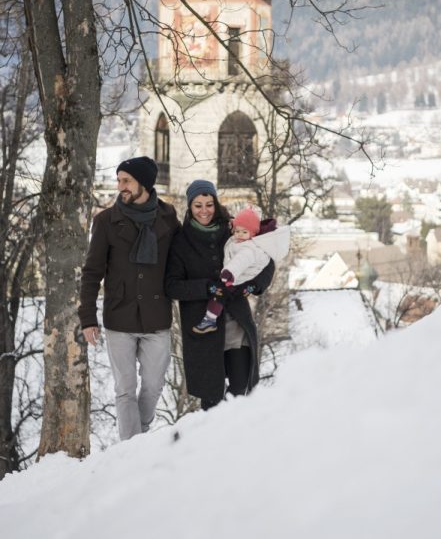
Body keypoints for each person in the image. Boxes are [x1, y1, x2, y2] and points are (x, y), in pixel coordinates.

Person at [78, 156, 179, 441]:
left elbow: (184, 258)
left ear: (143, 184)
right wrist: (88, 318)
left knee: (153, 385)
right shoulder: (107, 221)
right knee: (124, 388)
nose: (120, 186)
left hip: (157, 316)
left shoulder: (169, 218)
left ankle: (140, 435)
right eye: (119, 179)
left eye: (126, 180)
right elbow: (92, 272)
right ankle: (133, 447)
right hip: (119, 318)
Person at [165, 179, 275, 410]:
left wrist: (252, 286)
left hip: (236, 324)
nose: (204, 211)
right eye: (198, 205)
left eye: (209, 204)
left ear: (215, 203)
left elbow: (265, 260)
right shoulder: (181, 242)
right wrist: (207, 287)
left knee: (240, 395)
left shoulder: (232, 230)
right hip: (204, 329)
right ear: (190, 207)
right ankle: (211, 445)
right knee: (212, 402)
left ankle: (238, 442)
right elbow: (172, 286)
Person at [193, 207, 290, 334]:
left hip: (239, 278)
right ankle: (210, 318)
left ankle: (210, 320)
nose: (239, 234)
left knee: (219, 294)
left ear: (253, 233)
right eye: (237, 231)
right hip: (236, 277)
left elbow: (240, 261)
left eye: (244, 232)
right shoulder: (236, 240)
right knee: (219, 293)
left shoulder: (249, 248)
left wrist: (230, 273)